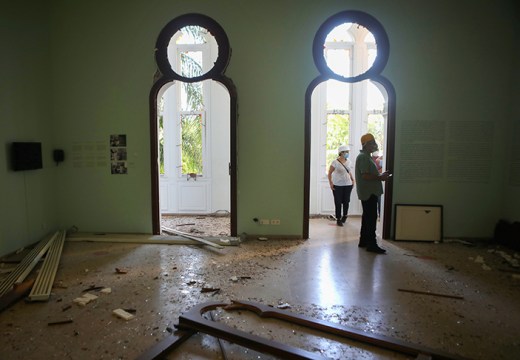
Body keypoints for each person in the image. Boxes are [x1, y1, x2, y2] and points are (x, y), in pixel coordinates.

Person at [355, 133, 391, 253]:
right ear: (365, 145)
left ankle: (364, 241)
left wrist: (380, 175)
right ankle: (372, 244)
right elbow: (365, 175)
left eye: (374, 142)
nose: (374, 145)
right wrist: (380, 177)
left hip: (369, 192)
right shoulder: (363, 157)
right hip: (368, 192)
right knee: (371, 218)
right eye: (371, 143)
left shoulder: (366, 156)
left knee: (367, 218)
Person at [328, 145, 355, 226]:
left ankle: (345, 216)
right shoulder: (335, 162)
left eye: (348, 152)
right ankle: (338, 219)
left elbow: (349, 171)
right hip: (337, 185)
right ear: (341, 153)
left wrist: (353, 180)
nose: (347, 153)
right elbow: (329, 173)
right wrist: (331, 183)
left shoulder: (349, 162)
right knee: (338, 202)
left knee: (346, 201)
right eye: (346, 152)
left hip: (348, 184)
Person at [371, 151, 383, 218]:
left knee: (379, 200)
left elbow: (382, 170)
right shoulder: (369, 160)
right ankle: (374, 215)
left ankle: (380, 215)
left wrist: (376, 173)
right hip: (370, 184)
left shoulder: (379, 160)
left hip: (377, 183)